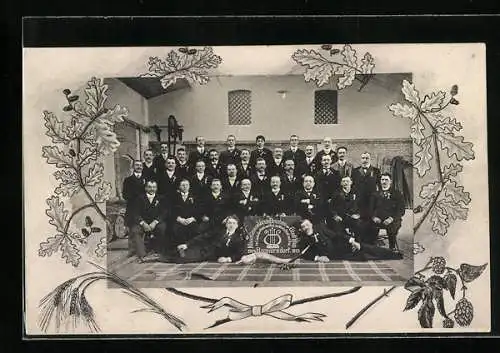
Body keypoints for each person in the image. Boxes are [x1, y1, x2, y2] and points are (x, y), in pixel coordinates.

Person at [296, 219, 403, 262]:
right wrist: (318, 258)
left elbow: (336, 235)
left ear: (311, 223)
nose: (306, 227)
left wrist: (351, 241)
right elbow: (304, 253)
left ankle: (394, 254)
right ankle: (390, 256)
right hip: (337, 255)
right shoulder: (303, 240)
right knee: (365, 257)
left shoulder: (320, 228)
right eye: (303, 226)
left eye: (307, 224)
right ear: (301, 229)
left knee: (368, 248)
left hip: (342, 246)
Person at [163, 215, 246, 264]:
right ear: (226, 224)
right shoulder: (219, 231)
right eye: (229, 223)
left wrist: (228, 259)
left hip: (211, 256)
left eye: (234, 223)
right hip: (203, 249)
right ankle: (164, 256)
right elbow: (203, 236)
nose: (231, 225)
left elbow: (239, 253)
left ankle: (166, 258)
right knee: (182, 249)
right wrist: (187, 244)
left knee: (183, 258)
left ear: (237, 225)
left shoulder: (239, 238)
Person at [128, 180, 168, 262]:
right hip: (142, 223)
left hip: (155, 223)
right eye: (149, 187)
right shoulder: (139, 198)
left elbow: (164, 213)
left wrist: (155, 222)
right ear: (146, 188)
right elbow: (135, 213)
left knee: (163, 228)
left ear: (156, 188)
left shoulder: (161, 198)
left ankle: (159, 251)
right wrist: (143, 223)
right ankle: (142, 254)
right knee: (135, 230)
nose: (152, 189)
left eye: (154, 187)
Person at [352, 152, 382, 244]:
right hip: (360, 201)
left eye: (367, 158)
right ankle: (360, 241)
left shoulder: (376, 171)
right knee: (360, 221)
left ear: (370, 159)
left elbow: (380, 186)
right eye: (363, 158)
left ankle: (372, 241)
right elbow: (352, 186)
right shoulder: (355, 171)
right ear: (361, 159)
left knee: (371, 221)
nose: (365, 160)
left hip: (372, 201)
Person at [371, 173, 405, 251]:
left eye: (386, 180)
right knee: (368, 225)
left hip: (392, 219)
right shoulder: (375, 194)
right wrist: (374, 217)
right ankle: (372, 245)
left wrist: (391, 218)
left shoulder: (397, 194)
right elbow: (371, 208)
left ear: (390, 181)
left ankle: (392, 247)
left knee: (392, 227)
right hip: (378, 219)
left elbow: (401, 210)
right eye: (382, 180)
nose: (384, 182)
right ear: (380, 181)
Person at [122, 160, 147, 257]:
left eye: (140, 165)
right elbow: (125, 194)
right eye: (137, 165)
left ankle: (143, 249)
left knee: (142, 227)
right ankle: (132, 250)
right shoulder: (128, 180)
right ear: (133, 167)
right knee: (132, 228)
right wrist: (136, 197)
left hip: (144, 207)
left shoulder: (146, 179)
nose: (139, 167)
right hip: (132, 207)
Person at [170, 179, 202, 253]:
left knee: (195, 229)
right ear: (179, 187)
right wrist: (178, 218)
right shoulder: (174, 197)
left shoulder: (195, 196)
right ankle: (179, 250)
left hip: (191, 220)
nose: (185, 187)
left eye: (186, 185)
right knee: (175, 229)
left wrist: (192, 218)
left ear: (189, 186)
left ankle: (191, 249)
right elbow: (170, 210)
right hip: (179, 221)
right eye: (183, 185)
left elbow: (199, 210)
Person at [327, 176, 362, 240]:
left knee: (359, 224)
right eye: (343, 181)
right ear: (341, 183)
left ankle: (358, 244)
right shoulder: (336, 194)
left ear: (351, 182)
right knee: (338, 228)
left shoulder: (356, 193)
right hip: (340, 217)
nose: (345, 183)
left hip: (352, 216)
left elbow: (359, 206)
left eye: (347, 181)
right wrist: (335, 215)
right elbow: (331, 207)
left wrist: (358, 214)